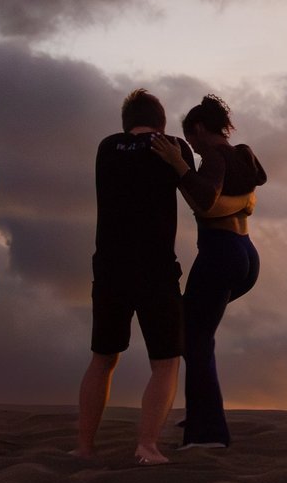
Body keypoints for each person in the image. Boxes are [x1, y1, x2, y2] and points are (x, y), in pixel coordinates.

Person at [76, 89, 200, 464]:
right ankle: (147, 445)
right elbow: (198, 198)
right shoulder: (173, 146)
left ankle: (84, 445)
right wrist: (179, 162)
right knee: (165, 361)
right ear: (161, 122)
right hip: (155, 268)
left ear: (126, 122)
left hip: (109, 267)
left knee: (102, 358)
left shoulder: (107, 147)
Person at [155, 95, 267, 451]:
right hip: (246, 253)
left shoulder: (215, 157)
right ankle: (201, 414)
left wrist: (178, 165)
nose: (190, 144)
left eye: (190, 136)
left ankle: (209, 433)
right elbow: (258, 179)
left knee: (195, 338)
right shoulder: (240, 153)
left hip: (221, 253)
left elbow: (204, 199)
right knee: (192, 330)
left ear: (199, 129)